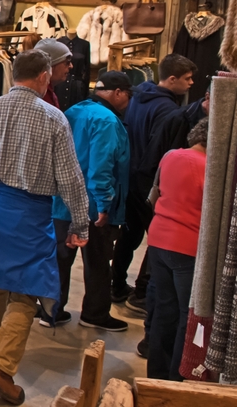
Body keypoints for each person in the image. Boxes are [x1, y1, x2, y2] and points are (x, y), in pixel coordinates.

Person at [0, 50, 89, 406]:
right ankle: (3, 369)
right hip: (30, 215)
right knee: (28, 292)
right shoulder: (54, 118)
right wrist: (80, 223)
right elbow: (71, 178)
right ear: (44, 77)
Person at [112, 54, 196, 314]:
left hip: (131, 174)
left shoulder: (139, 96)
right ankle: (142, 293)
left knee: (131, 233)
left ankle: (115, 285)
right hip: (149, 180)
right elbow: (160, 149)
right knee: (159, 237)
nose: (192, 83)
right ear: (172, 79)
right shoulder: (169, 111)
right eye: (187, 79)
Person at [48, 72, 132, 332]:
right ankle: (94, 314)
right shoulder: (106, 120)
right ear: (118, 92)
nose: (129, 101)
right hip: (92, 206)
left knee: (60, 258)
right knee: (97, 262)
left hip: (62, 201)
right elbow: (101, 166)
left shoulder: (74, 111)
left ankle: (50, 309)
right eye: (128, 94)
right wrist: (104, 204)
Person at [146, 117, 209, 381]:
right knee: (189, 316)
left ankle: (156, 374)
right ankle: (177, 379)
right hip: (188, 246)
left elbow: (157, 192)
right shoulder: (211, 168)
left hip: (159, 239)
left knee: (164, 309)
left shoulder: (171, 156)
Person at [34, 38, 73, 108]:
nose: (71, 66)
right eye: (67, 62)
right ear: (51, 65)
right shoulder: (40, 96)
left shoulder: (46, 92)